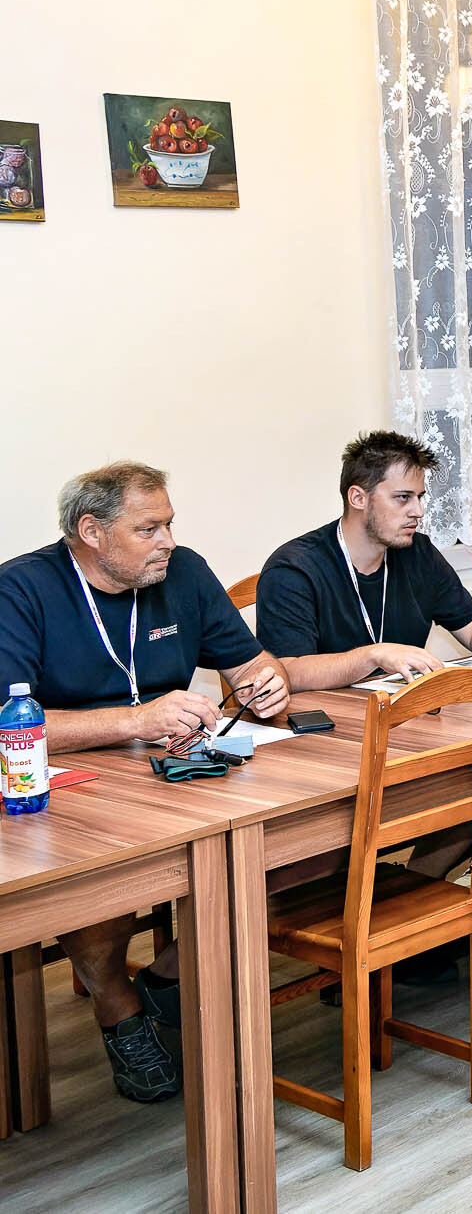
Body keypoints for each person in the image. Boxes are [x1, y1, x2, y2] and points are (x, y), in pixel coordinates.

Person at [0, 462, 292, 1103]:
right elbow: (8, 722)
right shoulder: (20, 589)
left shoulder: (183, 572)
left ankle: (166, 976)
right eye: (148, 528)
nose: (168, 541)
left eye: (169, 524)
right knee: (102, 878)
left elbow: (250, 661)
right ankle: (117, 1006)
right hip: (72, 785)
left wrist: (266, 682)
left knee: (294, 842)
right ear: (91, 532)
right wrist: (135, 720)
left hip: (177, 768)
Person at [257, 431, 472, 691]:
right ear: (358, 498)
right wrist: (373, 655)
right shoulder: (293, 569)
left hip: (402, 712)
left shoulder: (419, 552)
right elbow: (289, 670)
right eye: (403, 498)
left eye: (419, 497)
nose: (418, 511)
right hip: (328, 718)